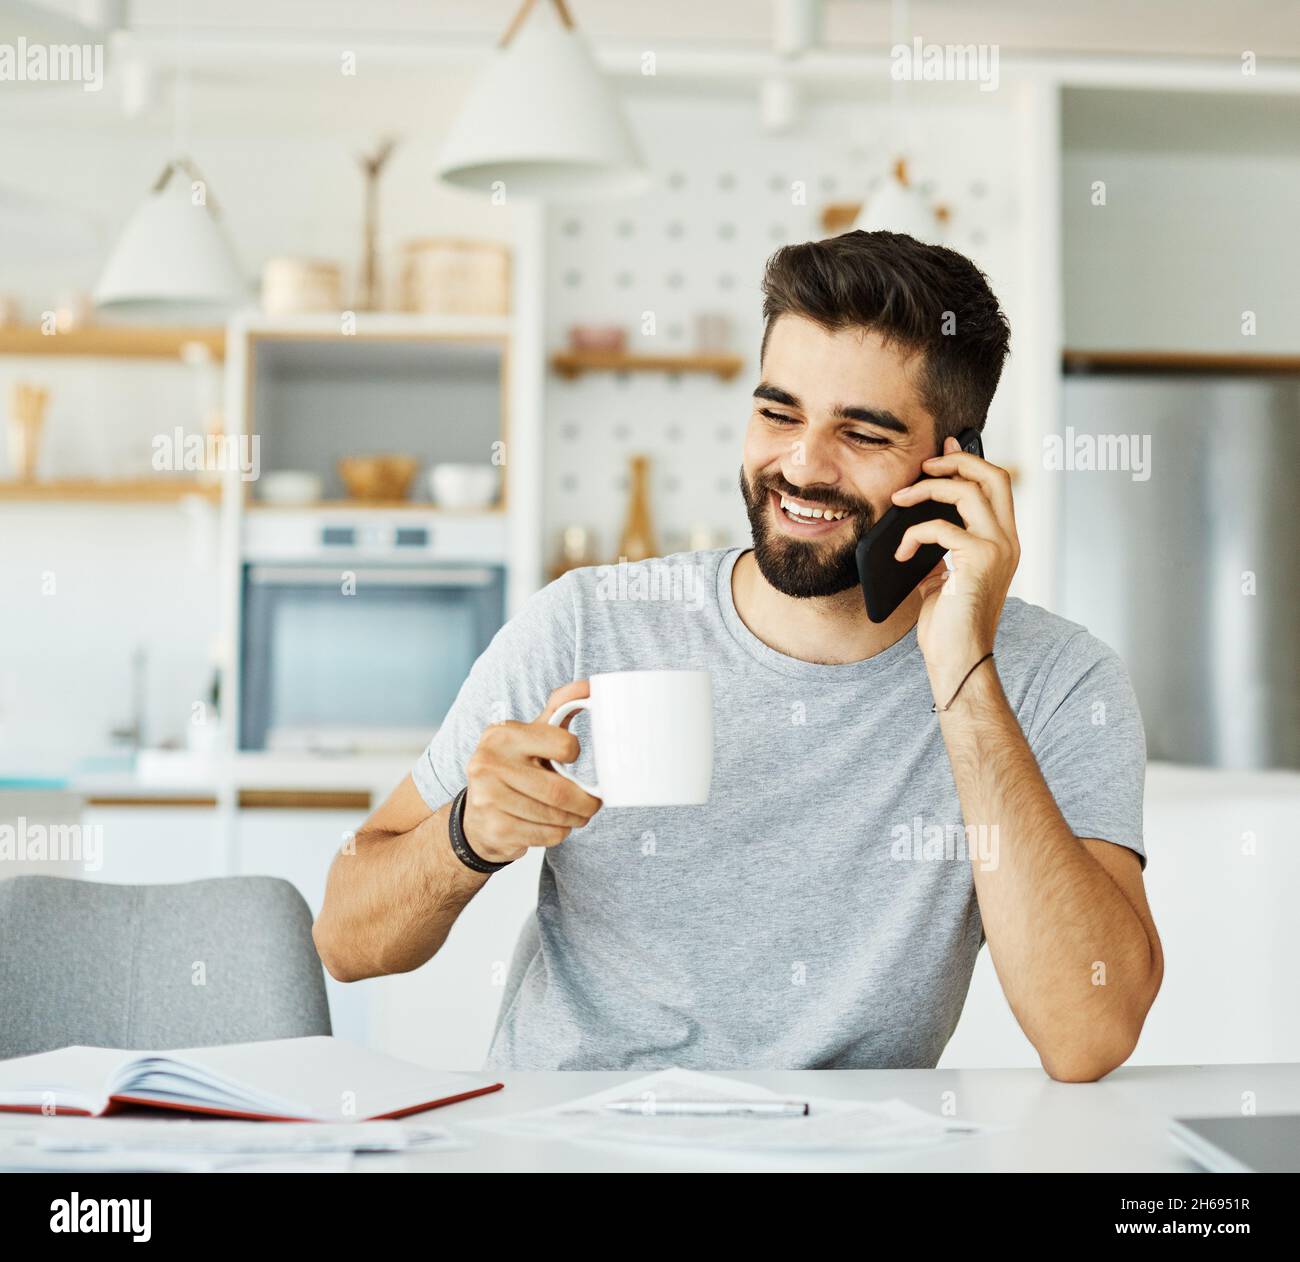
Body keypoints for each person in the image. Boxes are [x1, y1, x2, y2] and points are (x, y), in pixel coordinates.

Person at [314, 230, 1163, 1079]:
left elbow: (1086, 1034)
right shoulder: (587, 623)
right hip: (576, 1144)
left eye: (861, 434)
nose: (801, 464)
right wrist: (465, 835)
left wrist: (964, 670)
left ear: (954, 467)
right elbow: (346, 941)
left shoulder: (1058, 680)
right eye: (778, 412)